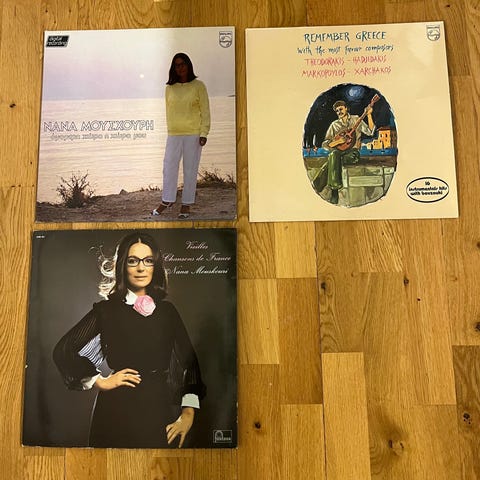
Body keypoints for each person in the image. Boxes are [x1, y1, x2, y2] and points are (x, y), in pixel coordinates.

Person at [53, 232, 206, 448]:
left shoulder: (167, 312)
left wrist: (188, 414)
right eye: (133, 261)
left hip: (157, 408)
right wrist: (100, 381)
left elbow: (189, 364)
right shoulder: (106, 311)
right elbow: (64, 350)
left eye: (148, 261)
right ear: (122, 266)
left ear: (155, 266)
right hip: (114, 412)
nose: (141, 268)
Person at [152, 53, 211, 219]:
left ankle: (186, 204)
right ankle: (167, 200)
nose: (180, 68)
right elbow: (169, 111)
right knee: (168, 167)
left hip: (193, 134)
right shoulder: (169, 88)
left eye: (183, 64)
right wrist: (170, 129)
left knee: (190, 169)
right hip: (174, 134)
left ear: (188, 65)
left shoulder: (198, 86)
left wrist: (204, 132)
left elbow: (205, 111)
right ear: (174, 68)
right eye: (177, 65)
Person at [321, 100, 375, 204]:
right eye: (337, 111)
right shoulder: (334, 125)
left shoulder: (356, 119)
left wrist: (369, 115)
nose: (339, 112)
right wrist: (338, 142)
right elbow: (325, 144)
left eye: (341, 109)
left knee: (334, 160)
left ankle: (327, 187)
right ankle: (335, 191)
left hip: (353, 153)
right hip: (338, 153)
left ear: (346, 108)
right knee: (334, 154)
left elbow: (370, 132)